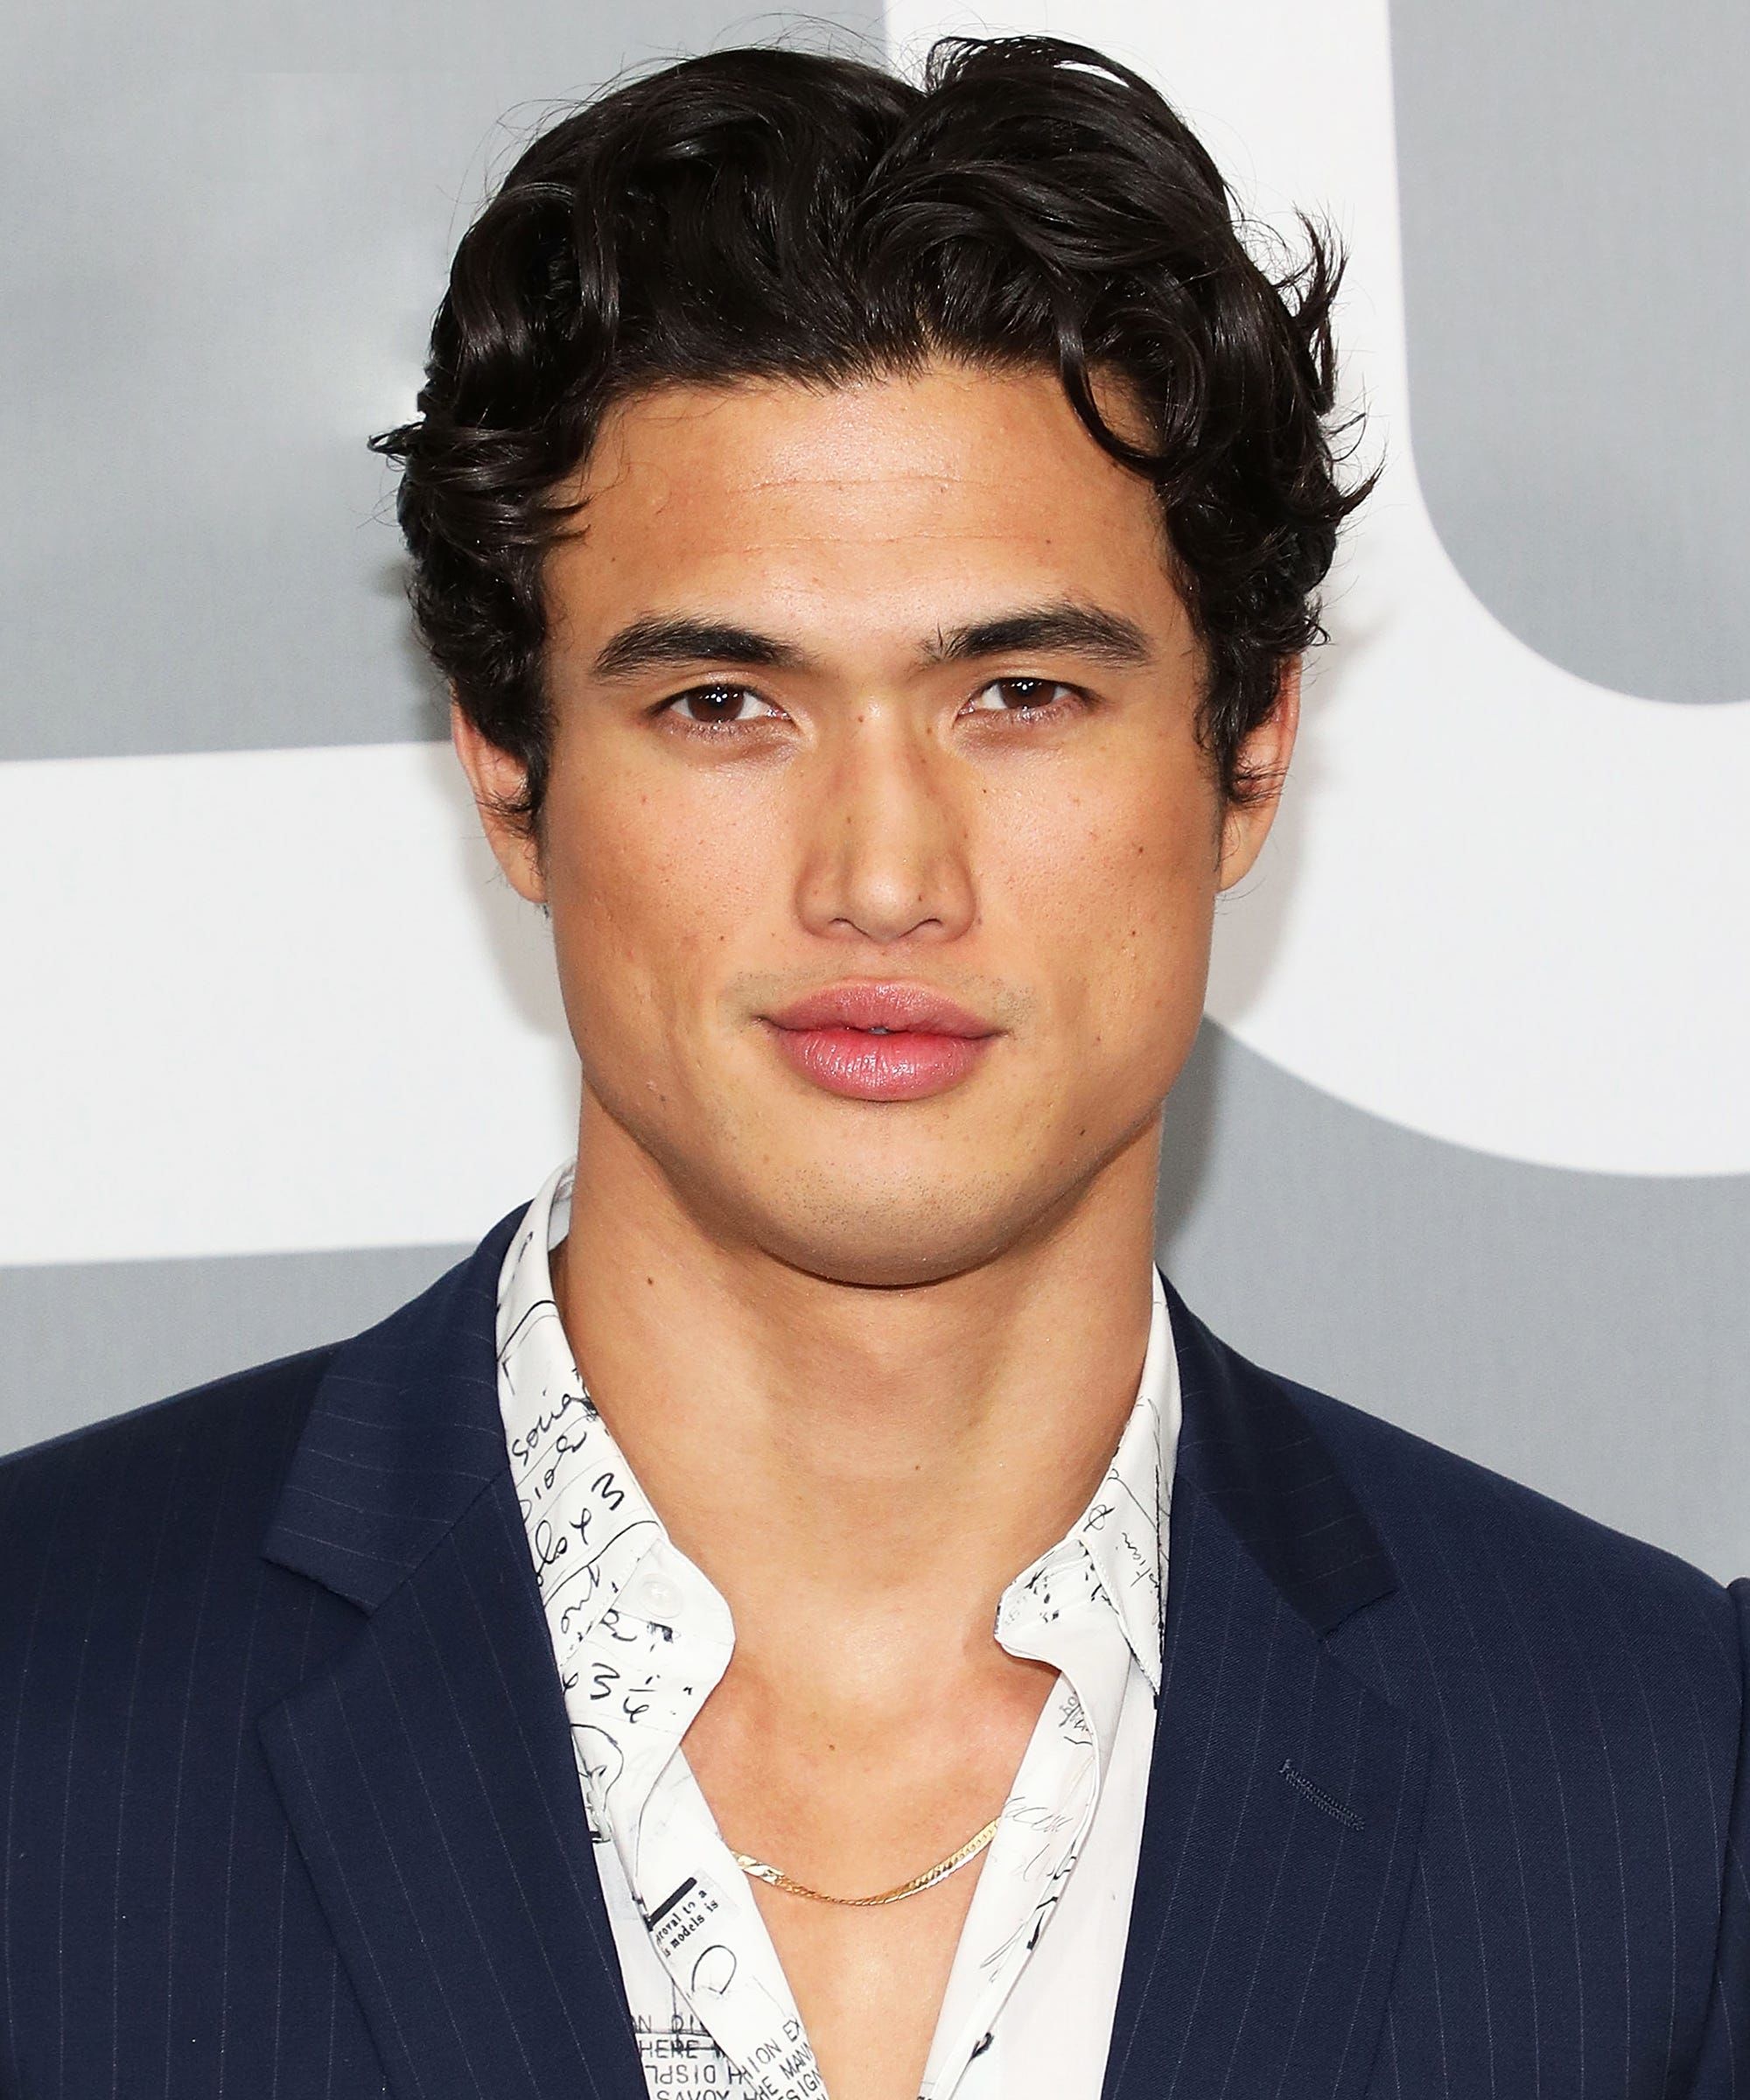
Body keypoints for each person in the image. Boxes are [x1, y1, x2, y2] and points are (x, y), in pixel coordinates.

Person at [0, 32, 1743, 2100]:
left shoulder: (1648, 1778)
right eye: (724, 705)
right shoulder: (43, 1698)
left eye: (1020, 693)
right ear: (511, 771)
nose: (885, 877)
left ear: (1249, 748)